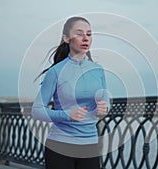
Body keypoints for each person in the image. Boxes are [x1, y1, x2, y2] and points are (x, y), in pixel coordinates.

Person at [31, 16, 110, 169]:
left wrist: (104, 108)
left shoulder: (98, 70)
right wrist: (67, 115)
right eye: (79, 34)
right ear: (66, 38)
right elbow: (37, 111)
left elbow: (105, 102)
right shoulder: (55, 72)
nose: (85, 38)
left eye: (89, 34)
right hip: (60, 146)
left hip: (90, 147)